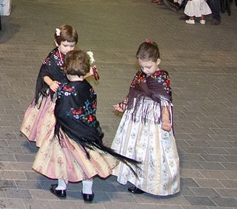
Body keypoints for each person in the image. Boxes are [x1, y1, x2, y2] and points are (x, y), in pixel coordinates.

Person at [33, 49, 129, 202]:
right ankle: (87, 192)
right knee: (86, 159)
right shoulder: (89, 89)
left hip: (67, 132)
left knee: (62, 159)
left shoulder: (64, 89)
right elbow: (91, 107)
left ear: (66, 70)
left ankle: (61, 188)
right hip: (86, 130)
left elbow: (60, 110)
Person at [111, 41, 179, 197]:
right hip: (137, 114)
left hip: (153, 117)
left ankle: (147, 181)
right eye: (142, 67)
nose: (145, 70)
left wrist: (166, 120)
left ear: (158, 62)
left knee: (149, 148)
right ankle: (132, 175)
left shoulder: (162, 78)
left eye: (149, 67)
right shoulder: (140, 75)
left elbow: (165, 102)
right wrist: (124, 104)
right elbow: (133, 91)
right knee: (134, 144)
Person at [21, 25, 77, 146]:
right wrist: (51, 82)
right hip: (54, 94)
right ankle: (47, 140)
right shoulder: (53, 57)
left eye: (72, 46)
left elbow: (77, 74)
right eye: (65, 45)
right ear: (57, 43)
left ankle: (63, 139)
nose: (69, 49)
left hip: (67, 92)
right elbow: (44, 73)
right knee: (50, 119)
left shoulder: (73, 57)